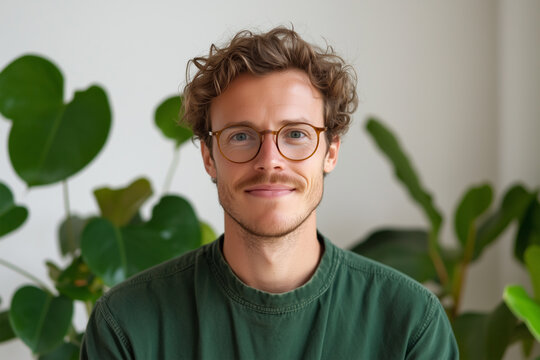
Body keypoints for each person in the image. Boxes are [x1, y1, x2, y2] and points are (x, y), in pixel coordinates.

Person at [81, 27, 458, 359]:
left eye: (295, 134)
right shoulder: (127, 325)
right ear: (209, 158)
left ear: (331, 151)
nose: (270, 161)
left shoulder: (410, 322)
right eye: (241, 136)